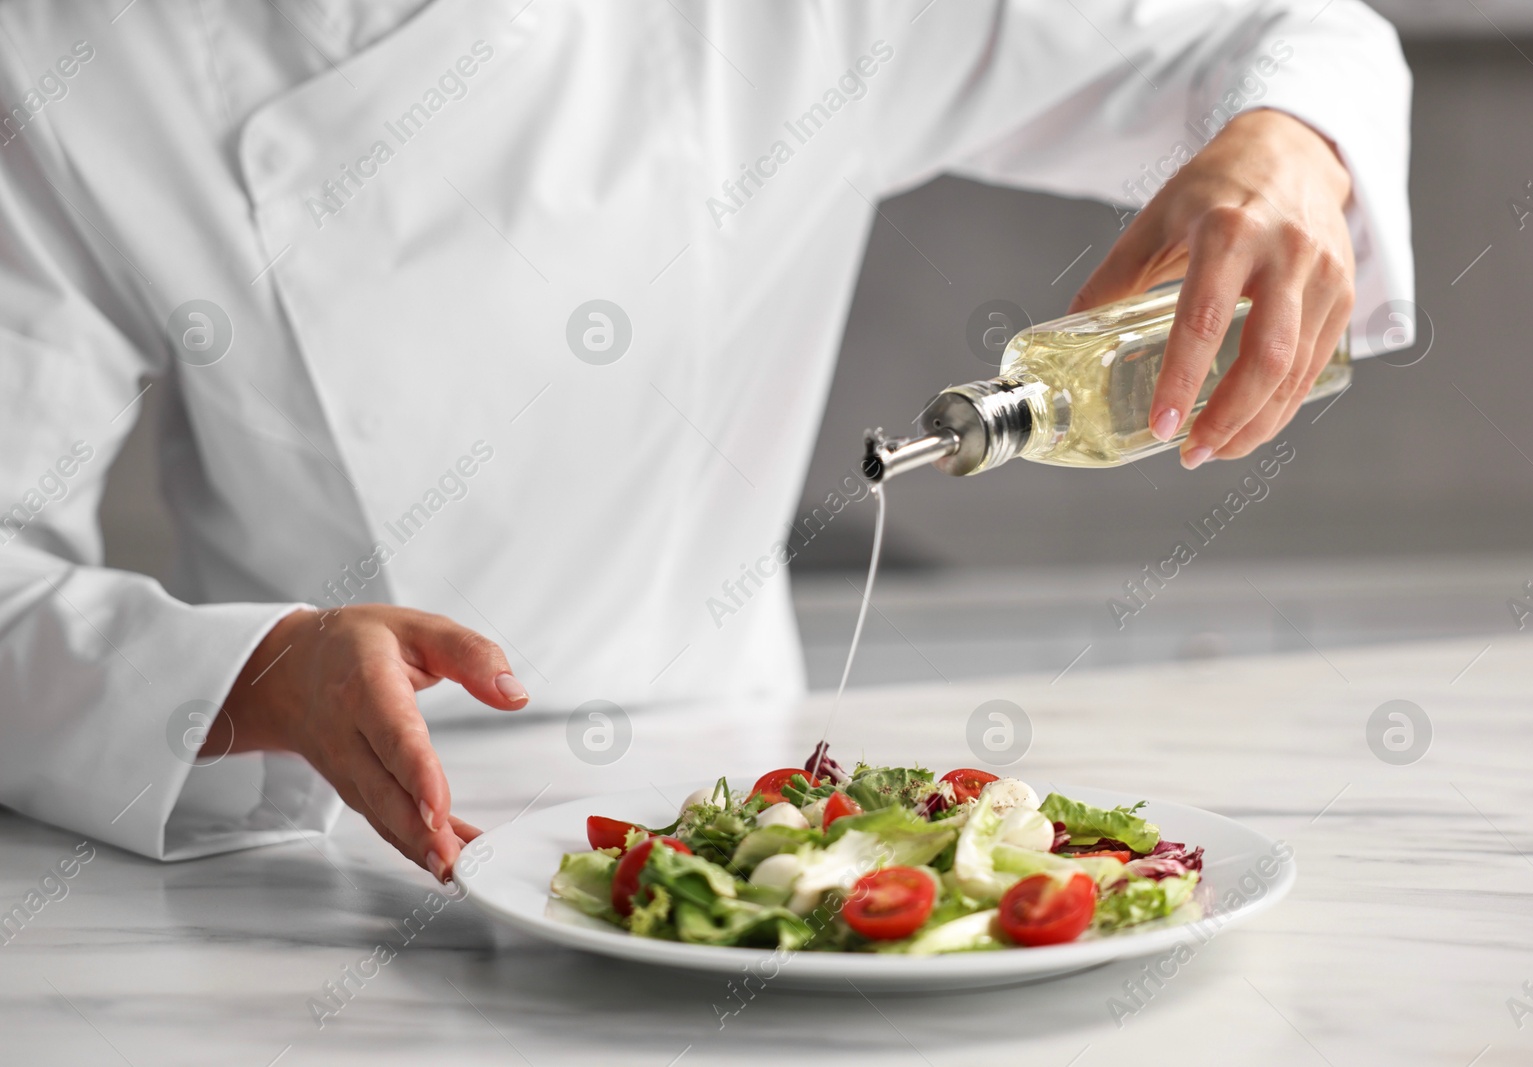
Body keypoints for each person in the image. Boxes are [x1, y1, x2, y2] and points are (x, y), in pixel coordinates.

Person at [0, 1, 1410, 882]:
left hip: (740, 799)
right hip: (318, 847)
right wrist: (259, 675)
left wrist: (1286, 146)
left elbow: (1283, 32)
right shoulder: (61, 53)